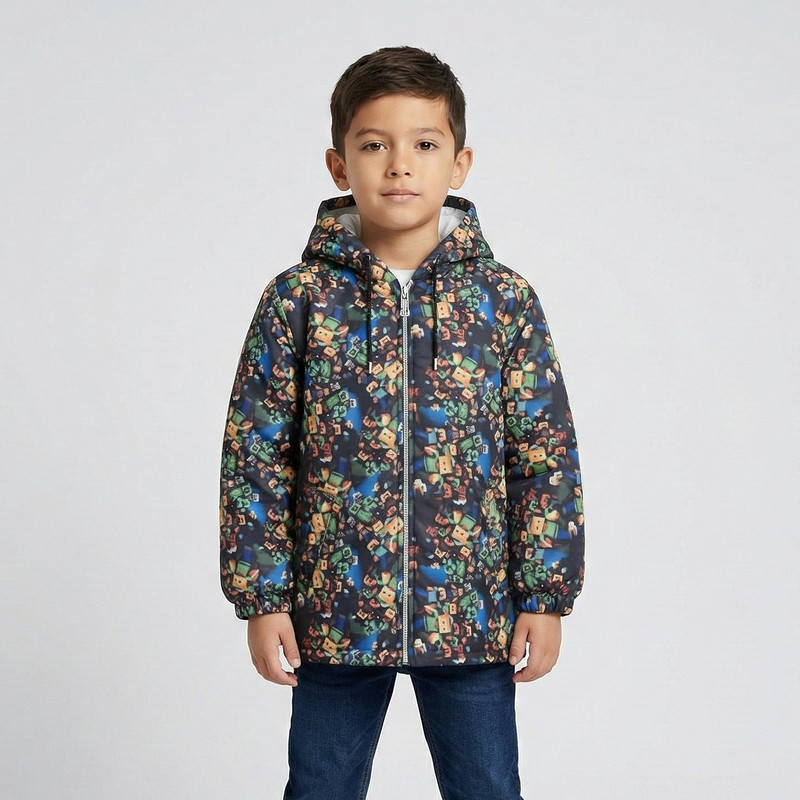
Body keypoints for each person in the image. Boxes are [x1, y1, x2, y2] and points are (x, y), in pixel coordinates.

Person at [219, 45, 585, 800]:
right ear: (338, 165)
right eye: (373, 145)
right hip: (332, 614)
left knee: (487, 787)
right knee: (320, 786)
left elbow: (544, 455)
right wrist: (263, 598)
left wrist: (546, 596)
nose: (399, 166)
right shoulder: (299, 301)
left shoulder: (504, 301)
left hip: (473, 612)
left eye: (423, 144)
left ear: (459, 163)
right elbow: (256, 456)